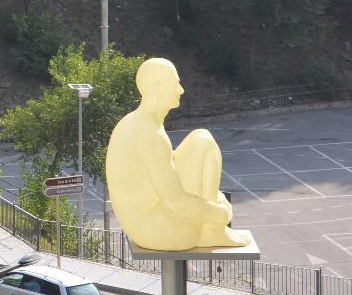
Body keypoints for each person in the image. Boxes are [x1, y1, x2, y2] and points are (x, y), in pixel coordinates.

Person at [104, 58, 251, 251]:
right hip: (159, 231)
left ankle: (212, 230)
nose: (180, 90)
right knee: (204, 142)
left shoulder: (135, 122)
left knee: (200, 137)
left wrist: (213, 201)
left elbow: (166, 167)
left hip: (143, 227)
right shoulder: (151, 134)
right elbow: (175, 202)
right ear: (158, 87)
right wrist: (220, 214)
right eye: (175, 84)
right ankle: (213, 231)